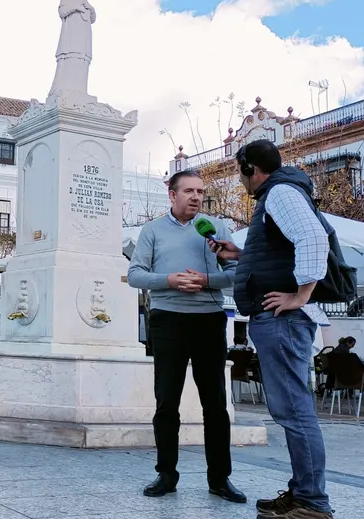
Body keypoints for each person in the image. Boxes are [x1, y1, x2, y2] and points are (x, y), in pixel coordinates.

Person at [209, 139, 333, 518]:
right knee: (291, 410)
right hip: (278, 321)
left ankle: (312, 503)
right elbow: (284, 250)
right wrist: (242, 255)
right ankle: (301, 494)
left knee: (294, 412)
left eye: (239, 171)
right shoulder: (280, 192)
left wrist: (299, 296)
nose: (240, 179)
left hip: (282, 320)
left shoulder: (278, 191)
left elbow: (314, 238)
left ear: (249, 168)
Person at [127, 169, 245, 504]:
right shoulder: (151, 231)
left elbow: (236, 274)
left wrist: (207, 280)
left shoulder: (216, 228)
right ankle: (166, 475)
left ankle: (220, 479)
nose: (196, 197)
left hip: (208, 320)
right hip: (167, 321)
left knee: (215, 404)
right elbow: (135, 274)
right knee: (167, 402)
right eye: (189, 191)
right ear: (172, 194)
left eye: (200, 191)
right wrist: (171, 281)